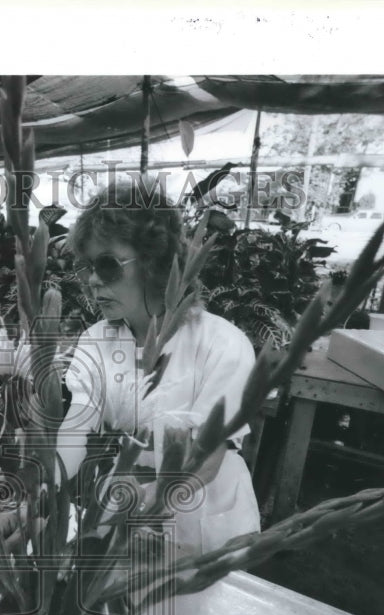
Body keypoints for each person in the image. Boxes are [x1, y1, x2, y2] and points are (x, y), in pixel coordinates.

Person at [58, 181, 261, 567]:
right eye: (87, 267)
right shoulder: (96, 340)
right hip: (127, 510)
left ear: (155, 263)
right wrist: (44, 488)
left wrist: (147, 500)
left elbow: (207, 457)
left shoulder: (223, 344)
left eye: (108, 265)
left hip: (204, 522)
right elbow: (76, 426)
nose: (93, 281)